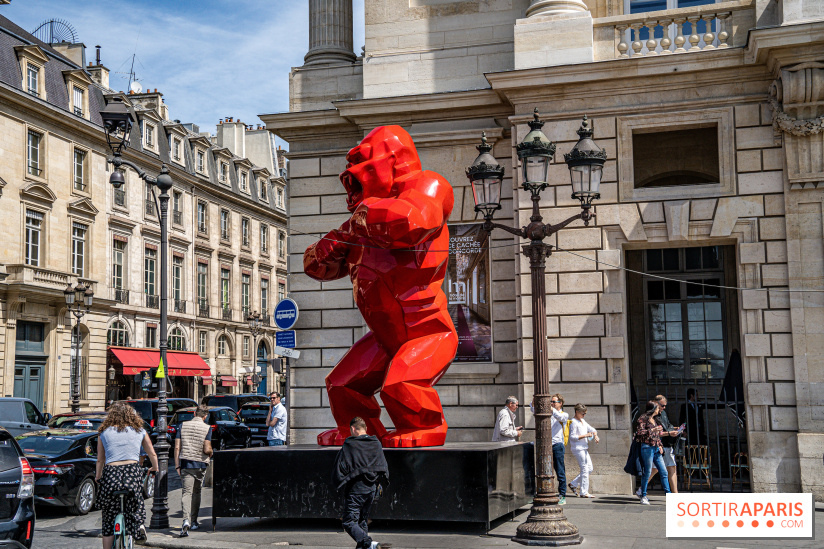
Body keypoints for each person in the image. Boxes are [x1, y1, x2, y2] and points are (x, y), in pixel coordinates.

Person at [95, 402, 158, 549]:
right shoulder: (139, 431)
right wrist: (154, 467)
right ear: (131, 415)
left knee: (109, 516)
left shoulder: (103, 432)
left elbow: (100, 459)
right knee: (136, 502)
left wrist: (98, 477)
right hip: (132, 472)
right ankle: (139, 524)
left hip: (111, 474)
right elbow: (152, 453)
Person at [333, 417, 389, 549]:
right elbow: (383, 465)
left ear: (353, 429)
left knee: (349, 522)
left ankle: (369, 543)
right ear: (366, 429)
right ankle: (364, 547)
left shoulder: (351, 444)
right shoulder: (375, 443)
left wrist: (338, 482)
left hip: (356, 489)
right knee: (362, 521)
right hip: (371, 489)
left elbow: (341, 466)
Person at [174, 404, 214, 537]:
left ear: (194, 414)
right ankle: (194, 521)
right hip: (201, 464)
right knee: (197, 492)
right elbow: (207, 449)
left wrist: (177, 465)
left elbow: (177, 447)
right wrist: (211, 453)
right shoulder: (207, 428)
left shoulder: (183, 425)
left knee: (186, 493)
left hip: (186, 462)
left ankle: (186, 520)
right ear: (205, 416)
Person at [640, 394, 680, 495]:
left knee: (670, 468)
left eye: (665, 406)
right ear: (656, 404)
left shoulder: (663, 414)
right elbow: (655, 433)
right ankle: (642, 490)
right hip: (655, 446)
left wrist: (675, 429)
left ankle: (674, 494)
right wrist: (669, 433)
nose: (663, 408)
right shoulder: (649, 417)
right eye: (662, 406)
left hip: (665, 445)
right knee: (653, 470)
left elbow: (667, 425)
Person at [634, 401, 671, 505]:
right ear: (653, 409)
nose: (659, 409)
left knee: (664, 472)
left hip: (655, 448)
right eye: (657, 408)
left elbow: (657, 435)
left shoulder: (655, 419)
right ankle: (643, 495)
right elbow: (639, 433)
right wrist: (653, 429)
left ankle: (668, 495)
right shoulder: (643, 418)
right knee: (647, 472)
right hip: (647, 447)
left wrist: (660, 445)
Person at [568, 404, 598, 498]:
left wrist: (595, 435)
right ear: (577, 412)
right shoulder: (573, 422)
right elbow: (572, 437)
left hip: (584, 448)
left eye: (585, 413)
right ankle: (584, 492)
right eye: (583, 413)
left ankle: (573, 483)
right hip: (578, 448)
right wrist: (585, 435)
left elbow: (592, 429)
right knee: (585, 468)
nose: (584, 415)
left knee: (590, 468)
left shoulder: (583, 421)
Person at [550, 393, 569, 505]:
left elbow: (559, 417)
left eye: (554, 402)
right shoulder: (550, 413)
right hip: (547, 445)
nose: (551, 404)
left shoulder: (564, 414)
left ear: (560, 403)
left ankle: (562, 494)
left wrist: (551, 410)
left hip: (557, 444)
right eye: (551, 402)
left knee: (560, 470)